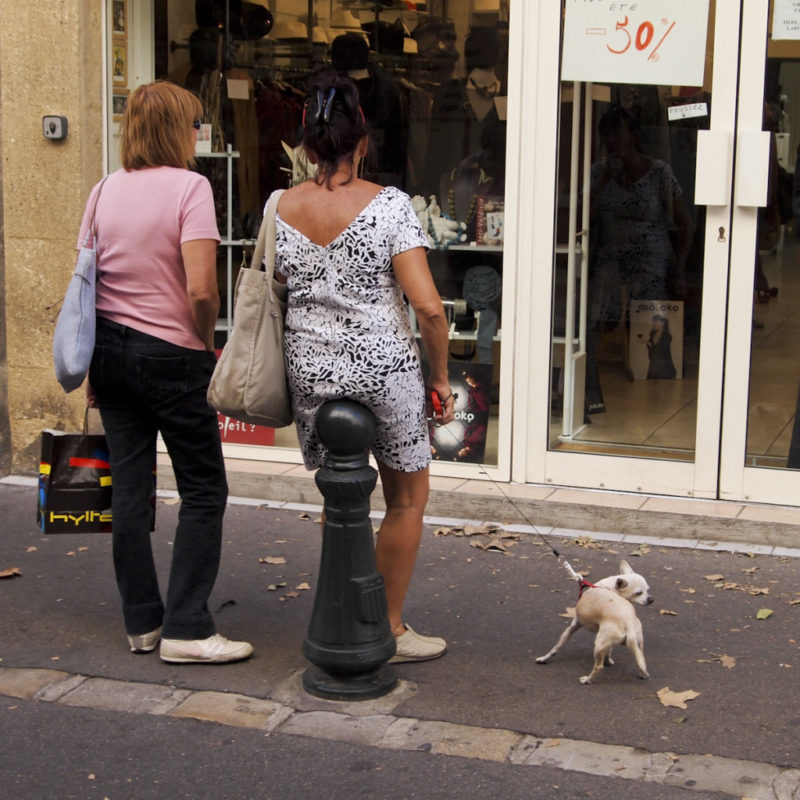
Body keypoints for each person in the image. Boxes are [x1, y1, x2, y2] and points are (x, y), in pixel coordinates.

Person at [270, 72, 455, 663]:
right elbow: (427, 307)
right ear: (363, 141)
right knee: (406, 497)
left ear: (305, 144)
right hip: (383, 368)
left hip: (311, 371)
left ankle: (346, 615)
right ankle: (389, 629)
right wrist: (440, 379)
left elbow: (277, 287)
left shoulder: (279, 206)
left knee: (339, 499)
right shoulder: (391, 206)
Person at [83, 81, 252, 664]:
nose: (198, 134)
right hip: (172, 354)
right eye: (194, 124)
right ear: (178, 130)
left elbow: (86, 283)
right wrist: (205, 343)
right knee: (203, 488)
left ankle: (143, 622)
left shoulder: (103, 190)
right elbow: (202, 287)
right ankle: (188, 627)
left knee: (130, 488)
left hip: (108, 351)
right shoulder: (191, 187)